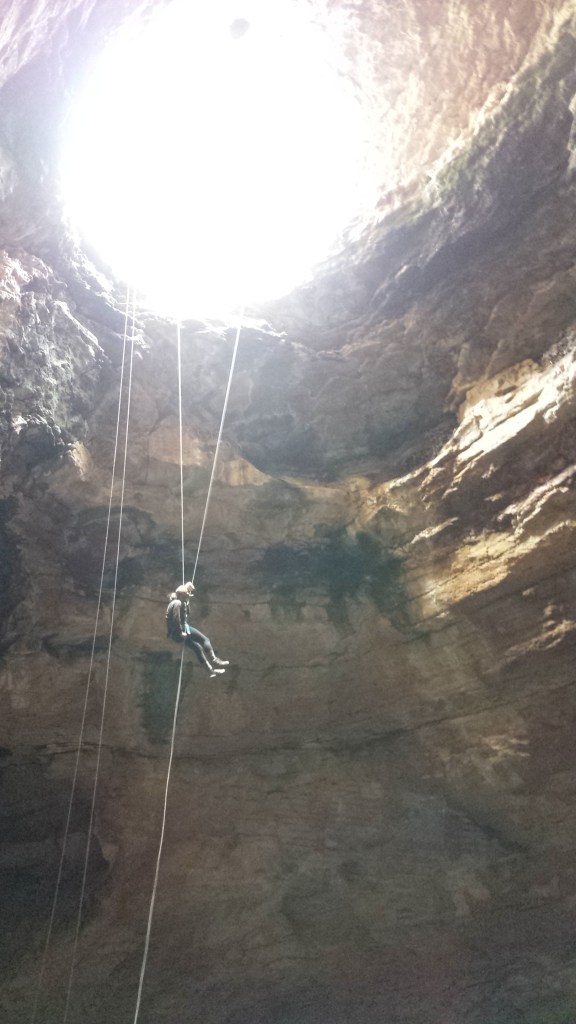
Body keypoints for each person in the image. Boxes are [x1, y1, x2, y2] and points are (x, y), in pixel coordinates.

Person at [166, 582, 229, 678]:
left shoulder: (176, 603)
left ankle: (210, 671)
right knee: (205, 640)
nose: (188, 596)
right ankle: (215, 660)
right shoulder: (177, 603)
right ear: (182, 594)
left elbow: (187, 614)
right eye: (187, 594)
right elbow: (176, 619)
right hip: (180, 630)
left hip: (176, 632)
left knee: (197, 648)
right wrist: (180, 632)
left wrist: (187, 603)